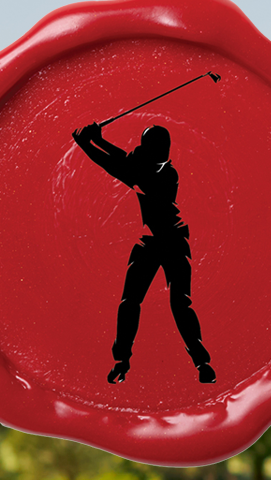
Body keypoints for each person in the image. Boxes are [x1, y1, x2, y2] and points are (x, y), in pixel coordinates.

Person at [70, 121, 215, 384]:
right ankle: (121, 361)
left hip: (171, 240)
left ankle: (202, 363)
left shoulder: (164, 175)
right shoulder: (151, 167)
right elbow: (125, 160)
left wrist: (85, 145)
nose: (138, 149)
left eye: (145, 146)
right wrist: (98, 141)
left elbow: (118, 166)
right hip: (151, 240)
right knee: (131, 302)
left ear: (154, 151)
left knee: (179, 303)